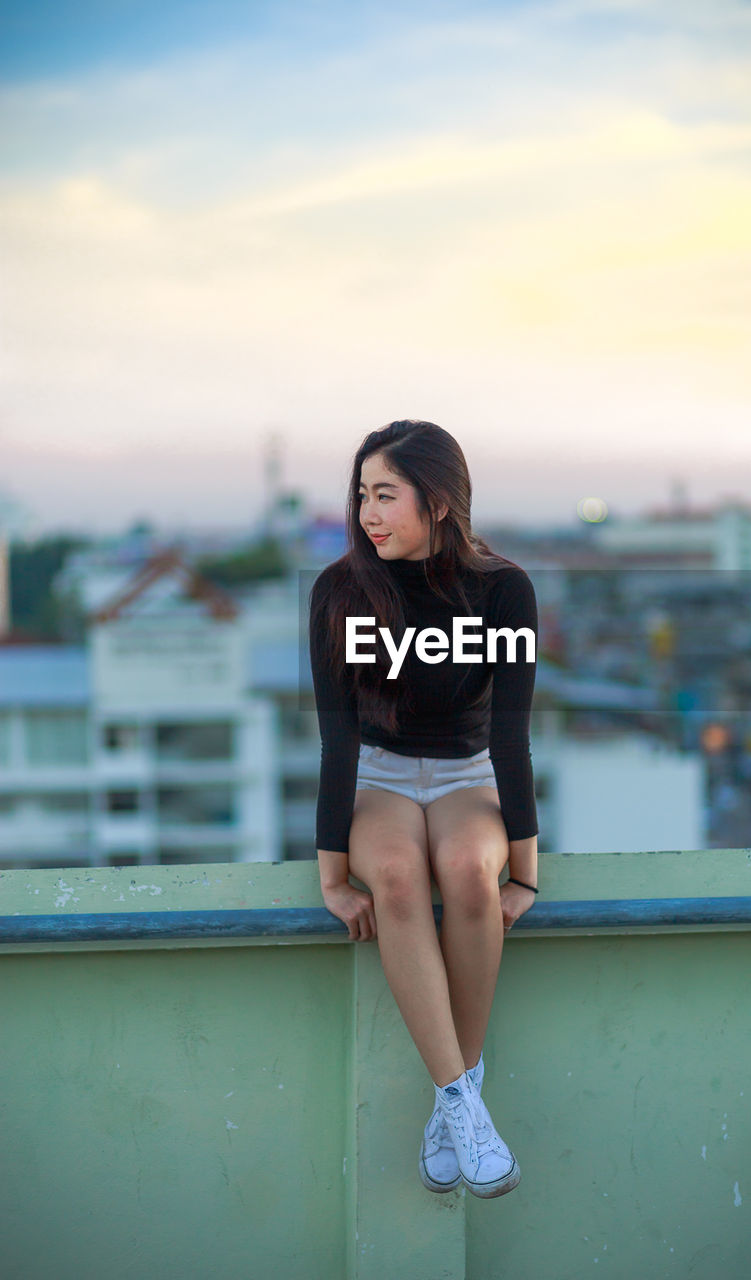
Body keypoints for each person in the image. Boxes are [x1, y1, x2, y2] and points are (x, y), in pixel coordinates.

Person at [309, 419, 539, 1199]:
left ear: (437, 500)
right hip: (377, 775)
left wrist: (526, 878)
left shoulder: (502, 589)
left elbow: (511, 736)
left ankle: (453, 1107)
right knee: (401, 880)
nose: (368, 513)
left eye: (386, 495)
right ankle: (462, 1101)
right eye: (362, 495)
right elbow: (335, 740)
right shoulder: (339, 590)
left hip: (468, 774)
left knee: (470, 874)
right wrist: (333, 879)